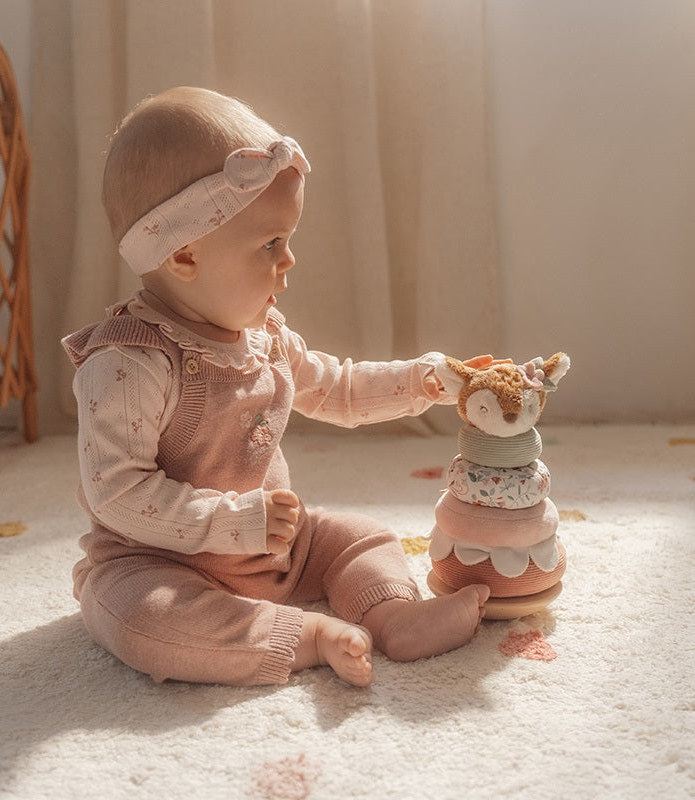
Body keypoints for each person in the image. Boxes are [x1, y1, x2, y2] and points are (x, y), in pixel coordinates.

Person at [62, 86, 490, 688]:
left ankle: (393, 614)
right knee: (140, 621)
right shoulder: (128, 364)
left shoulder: (263, 336)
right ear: (184, 255)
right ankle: (305, 637)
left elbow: (337, 389)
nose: (288, 262)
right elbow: (118, 495)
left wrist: (424, 379)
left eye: (287, 240)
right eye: (270, 245)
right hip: (157, 559)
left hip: (278, 545)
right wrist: (233, 523)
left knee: (359, 536)